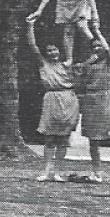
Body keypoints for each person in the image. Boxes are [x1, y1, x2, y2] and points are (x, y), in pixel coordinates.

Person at [26, 17, 79, 183]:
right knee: (49, 138)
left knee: (63, 139)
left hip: (68, 100)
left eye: (55, 50)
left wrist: (69, 23)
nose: (52, 53)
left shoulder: (67, 64)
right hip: (51, 100)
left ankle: (57, 171)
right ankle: (47, 171)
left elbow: (68, 38)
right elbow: (32, 46)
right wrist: (30, 25)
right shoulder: (43, 64)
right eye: (49, 51)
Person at [71, 33, 110, 186]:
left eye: (99, 45)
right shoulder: (89, 65)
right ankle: (97, 173)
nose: (97, 48)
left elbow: (107, 49)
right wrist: (85, 65)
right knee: (93, 141)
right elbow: (78, 81)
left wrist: (97, 31)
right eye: (94, 46)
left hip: (106, 102)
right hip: (90, 102)